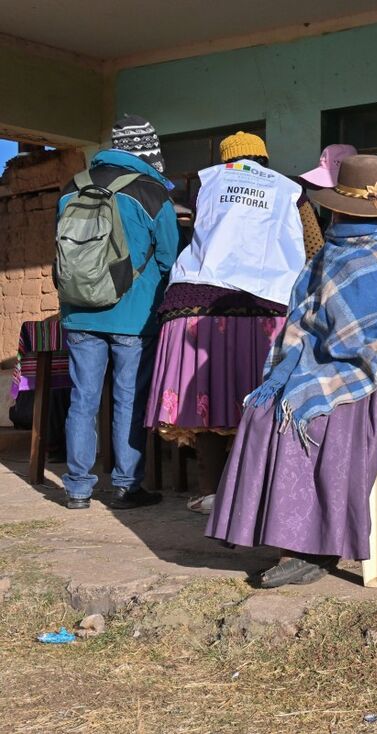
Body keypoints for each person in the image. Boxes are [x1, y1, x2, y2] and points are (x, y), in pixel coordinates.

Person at [206, 155, 377, 587]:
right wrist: (310, 359)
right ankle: (261, 530)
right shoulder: (335, 251)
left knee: (314, 417)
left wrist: (329, 355)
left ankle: (313, 548)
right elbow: (314, 320)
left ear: (341, 207)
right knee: (267, 410)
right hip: (344, 361)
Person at [144, 132, 323, 512]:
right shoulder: (290, 190)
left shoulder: (207, 183)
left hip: (194, 305)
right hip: (265, 306)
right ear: (264, 159)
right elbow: (313, 247)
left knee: (208, 399)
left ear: (226, 161)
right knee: (258, 400)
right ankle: (254, 491)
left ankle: (211, 490)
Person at [58, 114, 179, 511]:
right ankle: (127, 486)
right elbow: (168, 258)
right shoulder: (152, 193)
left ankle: (77, 488)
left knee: (83, 398)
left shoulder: (71, 189)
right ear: (148, 152)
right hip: (133, 315)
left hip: (79, 314)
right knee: (129, 399)